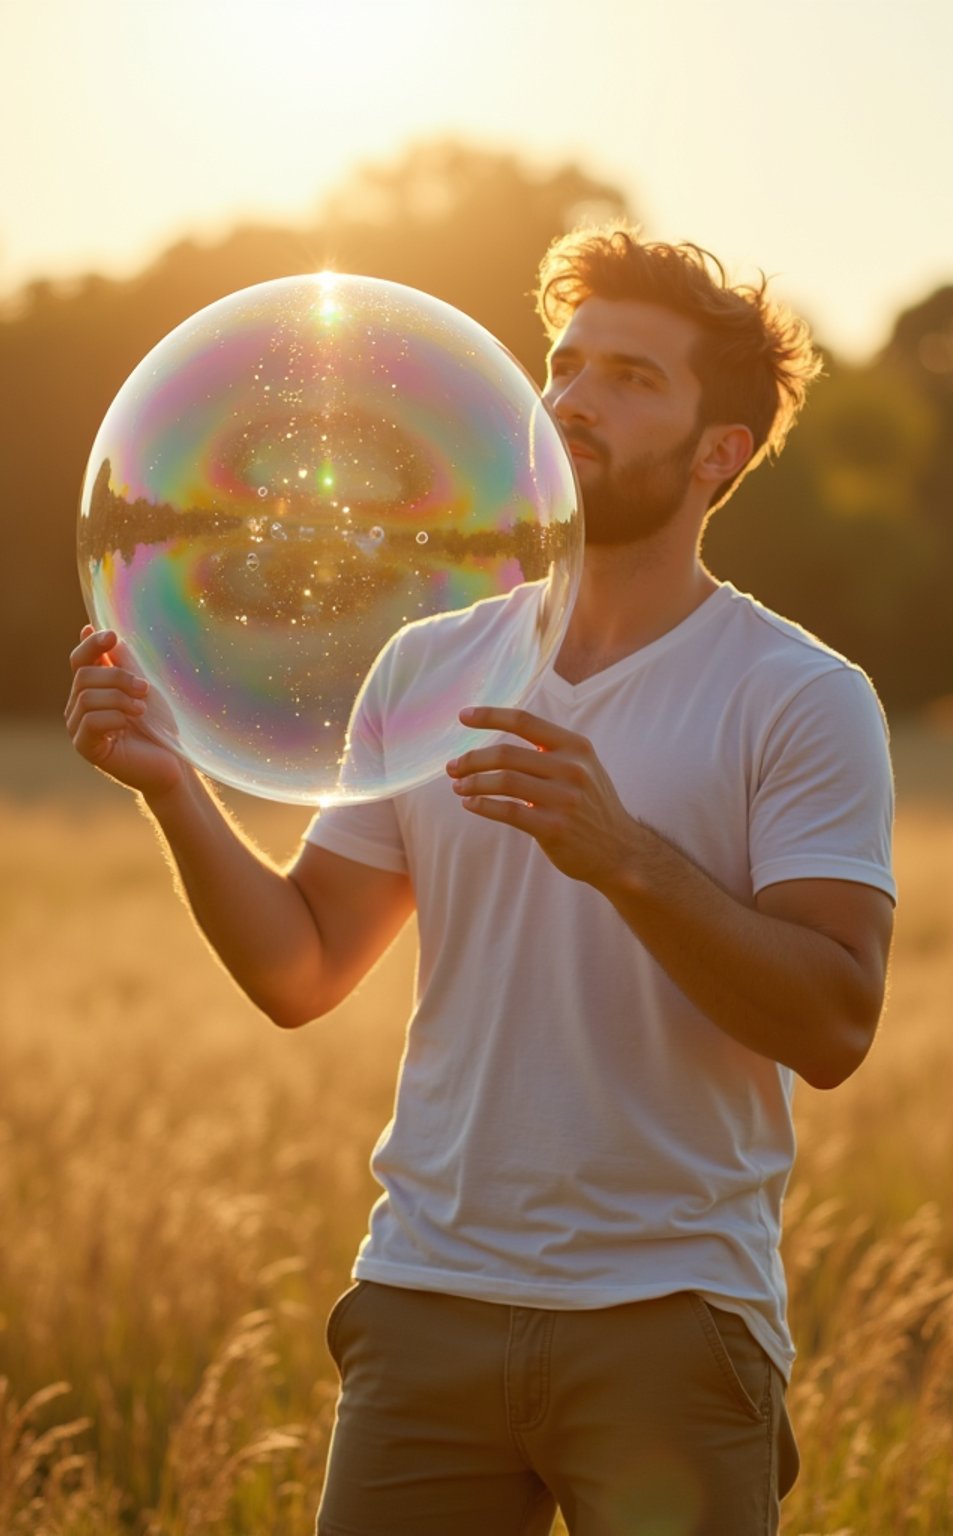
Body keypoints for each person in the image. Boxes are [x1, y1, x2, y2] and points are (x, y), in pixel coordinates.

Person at [66, 226, 896, 1536]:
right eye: (565, 365)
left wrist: (625, 857)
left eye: (632, 377)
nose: (571, 397)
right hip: (424, 1304)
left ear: (718, 452)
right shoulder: (426, 666)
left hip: (672, 1326)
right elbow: (301, 967)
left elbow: (837, 1021)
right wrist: (173, 787)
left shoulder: (798, 696)